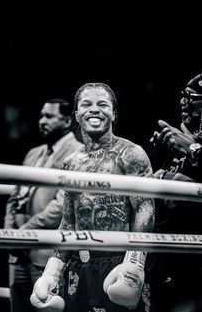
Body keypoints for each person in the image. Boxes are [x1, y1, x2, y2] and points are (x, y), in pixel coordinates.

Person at [30, 82, 155, 312]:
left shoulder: (131, 154)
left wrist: (135, 261)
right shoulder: (71, 162)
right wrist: (53, 269)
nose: (94, 110)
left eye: (102, 104)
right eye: (86, 104)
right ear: (76, 114)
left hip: (119, 262)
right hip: (79, 265)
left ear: (114, 114)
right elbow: (68, 220)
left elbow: (145, 209)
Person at [4, 98, 83, 312]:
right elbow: (14, 197)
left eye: (49, 116)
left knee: (46, 307)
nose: (42, 121)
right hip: (18, 251)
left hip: (46, 252)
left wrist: (23, 234)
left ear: (67, 121)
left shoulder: (78, 153)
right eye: (41, 115)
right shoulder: (33, 153)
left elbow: (62, 205)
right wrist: (10, 234)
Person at [150, 73, 202, 312]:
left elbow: (176, 195)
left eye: (189, 97)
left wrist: (192, 149)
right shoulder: (185, 135)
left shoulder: (191, 142)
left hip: (192, 253)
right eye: (182, 95)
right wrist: (163, 155)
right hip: (167, 245)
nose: (183, 101)